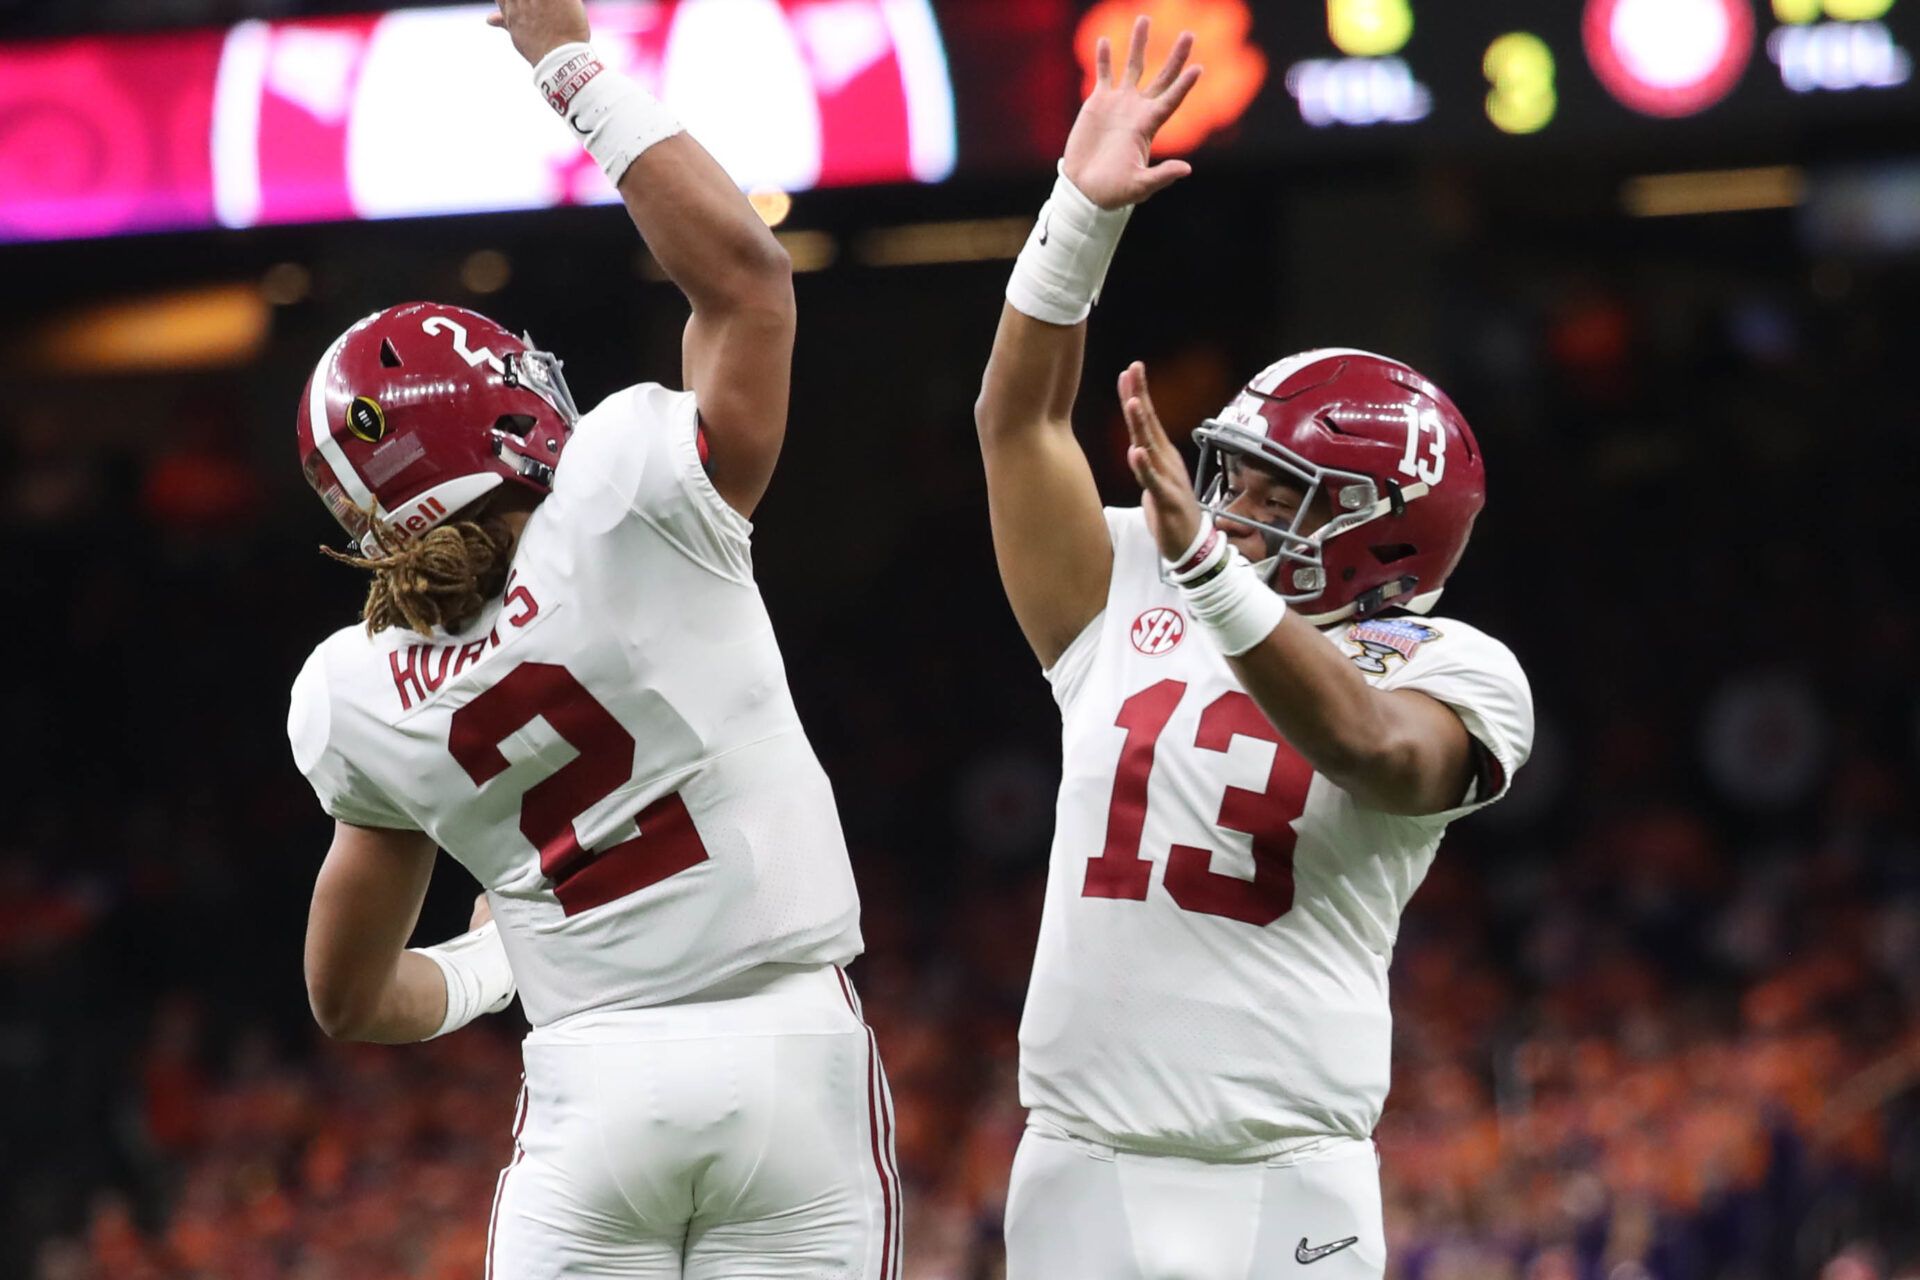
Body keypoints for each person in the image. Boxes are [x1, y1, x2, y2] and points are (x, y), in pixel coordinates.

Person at [286, 2, 900, 1275]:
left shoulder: (361, 691)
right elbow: (747, 277)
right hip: (789, 1056)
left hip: (592, 1090)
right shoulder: (626, 490)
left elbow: (350, 997)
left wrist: (496, 957)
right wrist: (565, 60)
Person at [973, 17, 1534, 1278]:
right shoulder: (1135, 578)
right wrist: (1078, 214)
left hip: (1286, 1172)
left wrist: (1215, 574)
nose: (1235, 506)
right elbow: (1017, 429)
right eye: (1237, 477)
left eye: (1279, 493)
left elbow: (1371, 747)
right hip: (1079, 1157)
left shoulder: (1457, 669)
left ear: (1379, 532)